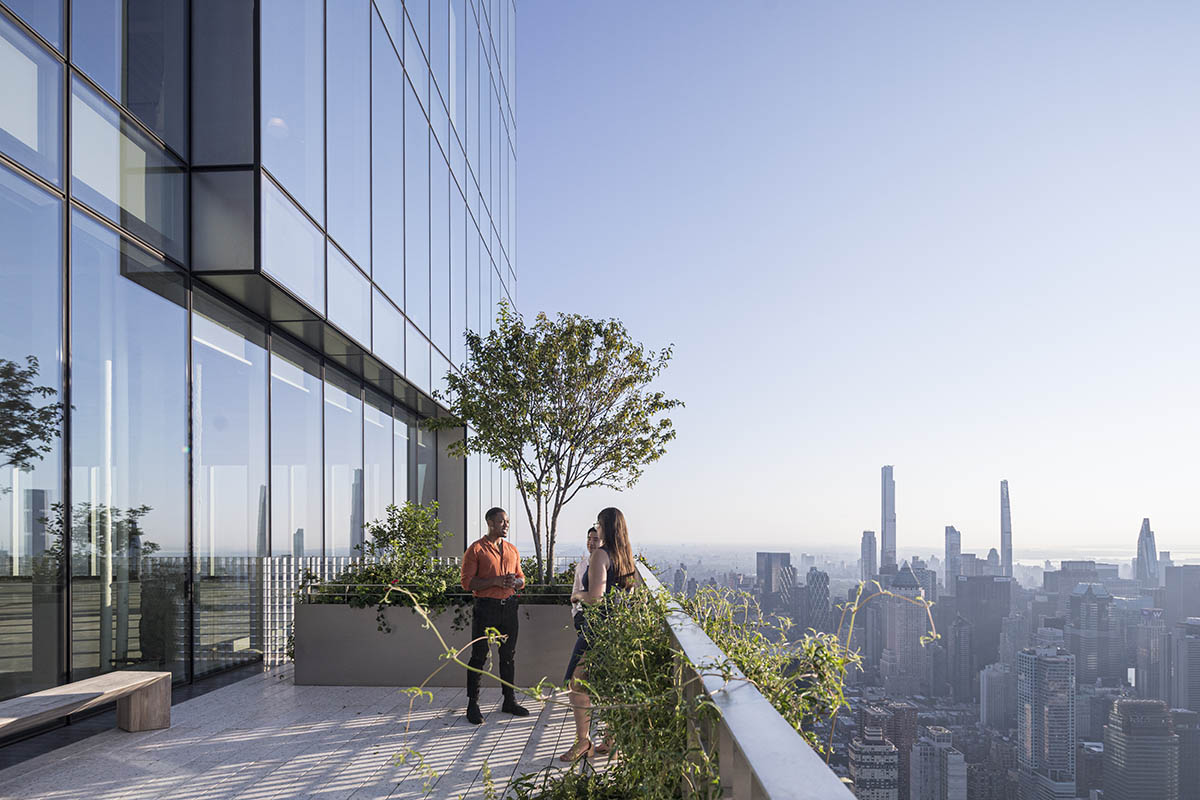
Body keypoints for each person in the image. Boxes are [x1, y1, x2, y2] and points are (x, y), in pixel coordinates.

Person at [559, 507, 640, 761]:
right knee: (611, 685)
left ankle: (584, 742)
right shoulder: (627, 558)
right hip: (619, 630)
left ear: (605, 526)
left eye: (599, 524)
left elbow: (595, 598)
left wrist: (577, 595)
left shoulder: (600, 556)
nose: (598, 529)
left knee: (576, 684)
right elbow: (633, 596)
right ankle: (612, 741)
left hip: (597, 629)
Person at [460, 507, 530, 724]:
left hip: (509, 607)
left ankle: (509, 701)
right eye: (502, 521)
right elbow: (467, 582)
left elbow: (522, 579)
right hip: (485, 608)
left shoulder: (512, 550)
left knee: (508, 656)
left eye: (507, 521)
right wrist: (495, 581)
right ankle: (473, 705)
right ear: (490, 522)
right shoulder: (476, 550)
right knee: (479, 656)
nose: (506, 525)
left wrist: (515, 582)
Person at [570, 527, 601, 632]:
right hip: (581, 617)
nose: (591, 543)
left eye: (595, 539)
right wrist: (575, 614)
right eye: (589, 539)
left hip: (600, 618)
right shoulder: (581, 565)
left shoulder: (607, 565)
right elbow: (575, 590)